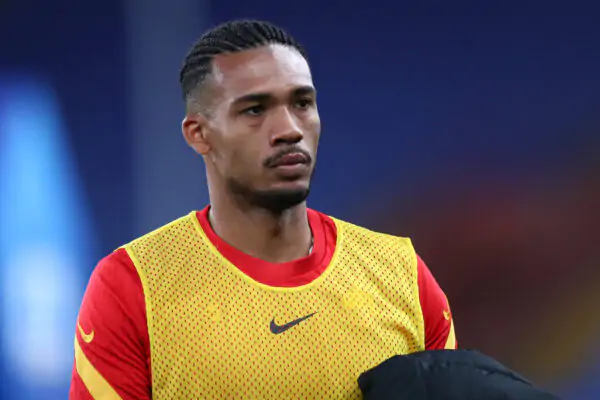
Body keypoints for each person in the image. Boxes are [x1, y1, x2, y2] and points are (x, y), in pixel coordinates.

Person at [69, 19, 456, 399]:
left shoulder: (402, 275)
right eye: (255, 110)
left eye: (302, 103)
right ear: (199, 134)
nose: (289, 129)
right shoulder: (133, 286)